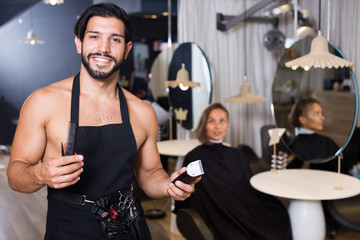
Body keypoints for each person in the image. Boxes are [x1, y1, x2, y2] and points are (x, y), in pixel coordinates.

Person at [6, 3, 199, 240]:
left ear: (127, 49)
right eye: (94, 36)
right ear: (79, 42)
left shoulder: (142, 111)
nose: (103, 48)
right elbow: (15, 175)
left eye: (115, 40)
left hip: (129, 228)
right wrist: (41, 174)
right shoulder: (43, 102)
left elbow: (150, 174)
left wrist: (170, 185)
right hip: (68, 229)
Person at [174, 103, 292, 240]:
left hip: (243, 206)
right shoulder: (194, 157)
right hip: (218, 212)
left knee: (278, 212)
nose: (217, 126)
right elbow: (192, 197)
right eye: (212, 121)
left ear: (228, 124)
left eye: (222, 121)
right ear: (204, 124)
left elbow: (248, 188)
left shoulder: (238, 154)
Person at [287, 97, 341, 171]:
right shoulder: (327, 143)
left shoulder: (327, 142)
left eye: (322, 113)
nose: (322, 117)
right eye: (317, 113)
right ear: (302, 119)